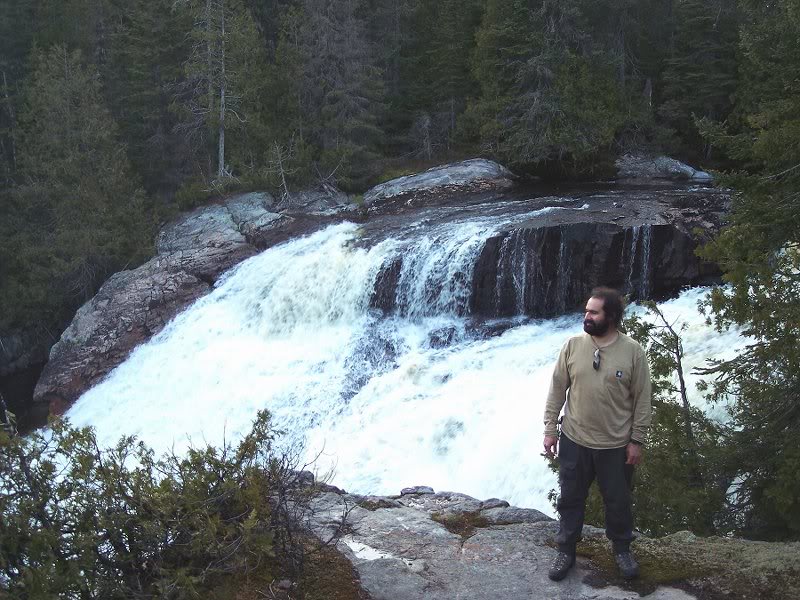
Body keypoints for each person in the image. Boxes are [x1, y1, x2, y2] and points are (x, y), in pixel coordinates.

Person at [543, 287, 651, 581]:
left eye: (593, 312)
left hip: (615, 445)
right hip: (575, 440)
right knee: (570, 499)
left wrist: (636, 440)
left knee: (617, 501)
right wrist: (550, 429)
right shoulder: (573, 346)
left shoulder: (632, 352)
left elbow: (642, 399)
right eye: (586, 311)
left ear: (611, 316)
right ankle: (565, 550)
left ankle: (621, 550)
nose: (586, 316)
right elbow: (557, 389)